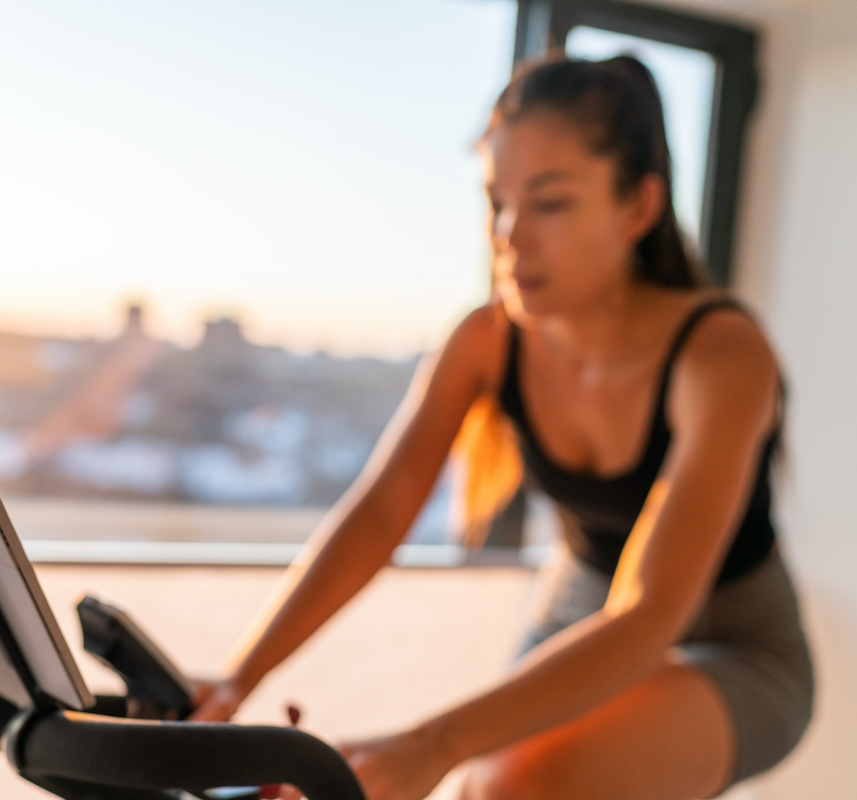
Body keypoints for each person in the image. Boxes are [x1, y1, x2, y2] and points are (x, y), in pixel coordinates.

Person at [190, 55, 814, 800]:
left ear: (638, 209)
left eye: (549, 204)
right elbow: (382, 512)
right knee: (486, 785)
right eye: (497, 203)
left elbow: (650, 614)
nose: (511, 235)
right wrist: (236, 681)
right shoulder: (486, 339)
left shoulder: (721, 352)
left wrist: (434, 741)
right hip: (580, 609)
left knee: (517, 784)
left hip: (731, 639)